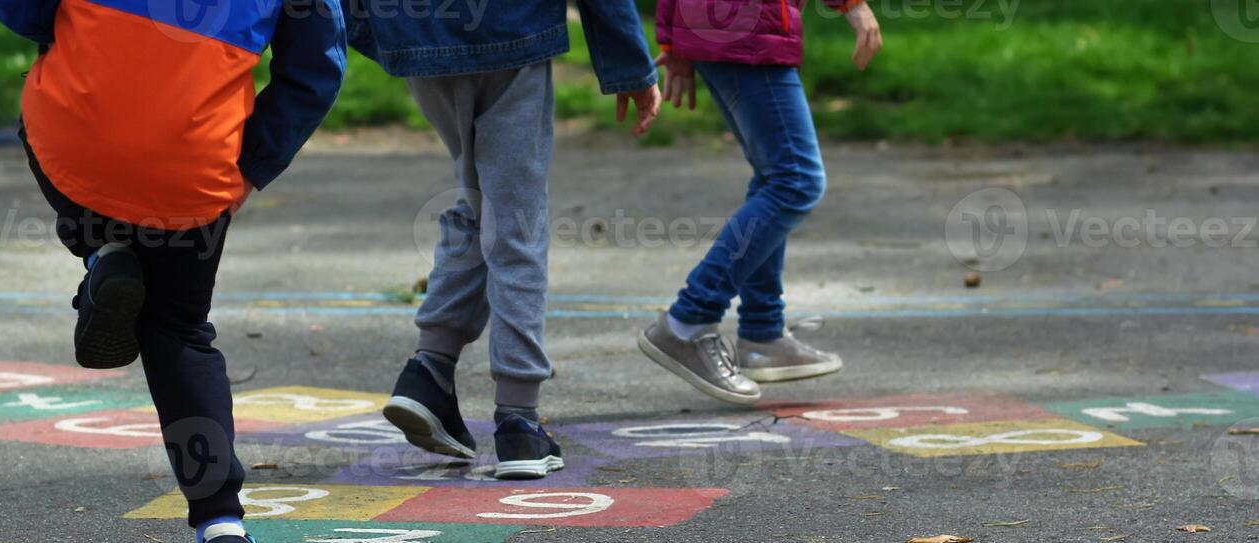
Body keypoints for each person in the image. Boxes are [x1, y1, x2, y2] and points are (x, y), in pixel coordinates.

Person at [0, 0, 347, 543]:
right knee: (177, 330)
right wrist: (251, 168)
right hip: (193, 170)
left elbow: (23, 12)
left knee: (52, 121)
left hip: (77, 143)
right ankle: (222, 531)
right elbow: (316, 68)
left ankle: (101, 254)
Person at [346, 0, 663, 478]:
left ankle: (429, 370)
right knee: (517, 222)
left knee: (481, 202)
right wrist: (629, 66)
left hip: (419, 34)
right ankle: (518, 420)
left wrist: (393, 37)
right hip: (511, 30)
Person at [640, 0, 882, 405]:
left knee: (776, 176)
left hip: (717, 27)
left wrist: (674, 34)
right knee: (797, 180)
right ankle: (688, 320)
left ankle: (762, 333)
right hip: (747, 29)